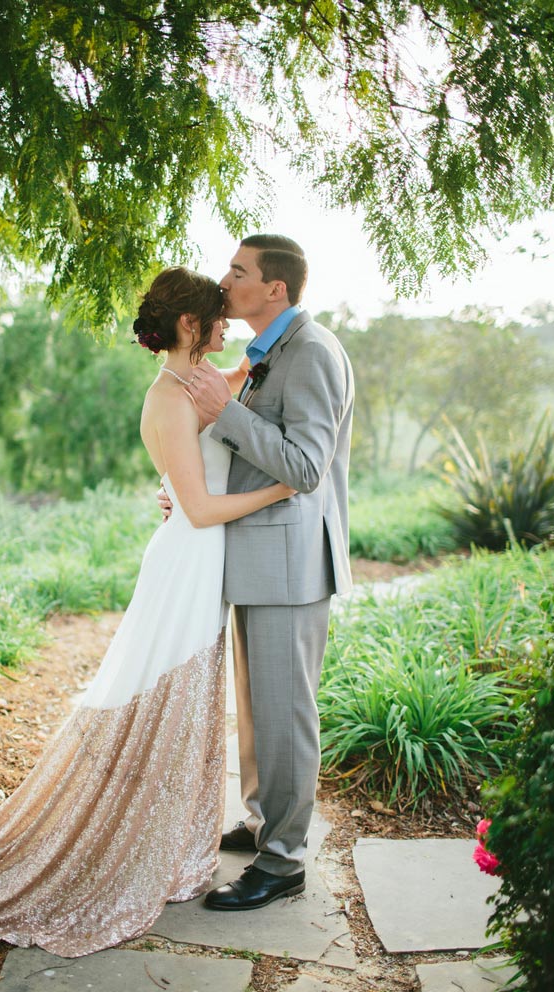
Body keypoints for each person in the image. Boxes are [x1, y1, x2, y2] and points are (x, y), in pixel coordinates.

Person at [0, 266, 295, 958]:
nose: (228, 327)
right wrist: (278, 490)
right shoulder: (169, 397)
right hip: (186, 564)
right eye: (217, 317)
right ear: (189, 327)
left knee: (182, 701)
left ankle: (177, 839)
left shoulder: (200, 383)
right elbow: (197, 506)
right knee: (157, 699)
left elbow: (226, 422)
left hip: (199, 561)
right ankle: (120, 845)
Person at [160, 235, 354, 910]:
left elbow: (305, 467)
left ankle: (284, 862)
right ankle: (262, 822)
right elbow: (258, 452)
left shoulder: (312, 352)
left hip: (291, 565)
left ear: (275, 288)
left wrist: (226, 413)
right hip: (257, 556)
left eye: (238, 272)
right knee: (258, 712)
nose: (225, 280)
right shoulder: (267, 350)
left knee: (284, 713)